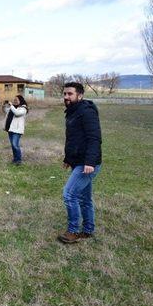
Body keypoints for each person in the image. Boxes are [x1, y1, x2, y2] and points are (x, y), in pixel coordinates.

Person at [57, 82, 102, 244]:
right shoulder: (72, 111)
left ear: (80, 95)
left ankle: (73, 231)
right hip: (78, 162)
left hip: (87, 163)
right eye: (65, 94)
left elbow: (94, 138)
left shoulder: (86, 112)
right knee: (84, 198)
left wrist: (89, 162)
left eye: (70, 94)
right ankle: (88, 229)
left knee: (69, 194)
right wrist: (68, 159)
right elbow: (74, 139)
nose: (66, 97)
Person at [3, 95, 28, 165]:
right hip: (10, 129)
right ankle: (15, 159)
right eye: (14, 100)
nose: (15, 101)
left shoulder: (23, 108)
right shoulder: (13, 107)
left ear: (21, 100)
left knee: (15, 145)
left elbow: (17, 113)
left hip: (17, 130)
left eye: (16, 100)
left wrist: (11, 105)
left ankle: (19, 160)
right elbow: (6, 111)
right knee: (13, 145)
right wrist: (4, 105)